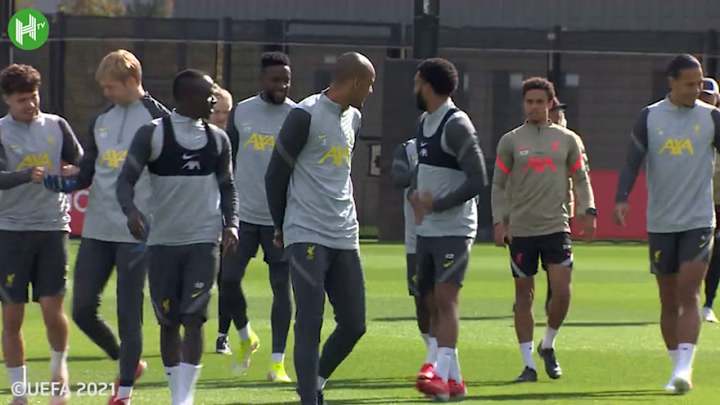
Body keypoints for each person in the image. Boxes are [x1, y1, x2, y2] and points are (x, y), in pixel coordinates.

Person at [44, 49, 168, 404]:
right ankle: (128, 361)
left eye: (111, 86)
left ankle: (123, 391)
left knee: (130, 314)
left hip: (137, 233)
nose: (106, 93)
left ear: (132, 81)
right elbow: (87, 174)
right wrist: (58, 183)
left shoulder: (160, 120)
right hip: (97, 230)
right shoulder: (101, 120)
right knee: (82, 310)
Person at [117, 69, 239, 404]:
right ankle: (176, 392)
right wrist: (131, 211)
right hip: (162, 244)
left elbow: (228, 187)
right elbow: (125, 180)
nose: (213, 100)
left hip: (203, 242)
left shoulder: (218, 140)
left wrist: (231, 224)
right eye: (207, 94)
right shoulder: (152, 134)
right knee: (169, 322)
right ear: (186, 97)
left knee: (194, 319)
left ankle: (184, 399)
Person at [265, 52, 375, 405]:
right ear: (355, 82)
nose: (371, 91)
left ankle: (313, 383)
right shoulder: (305, 115)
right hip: (306, 231)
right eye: (369, 84)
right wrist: (281, 224)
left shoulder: (354, 118)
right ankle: (310, 400)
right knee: (310, 321)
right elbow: (275, 175)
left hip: (344, 232)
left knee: (354, 323)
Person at [614, 54, 720, 394]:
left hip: (699, 220)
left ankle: (686, 368)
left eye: (700, 83)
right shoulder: (649, 117)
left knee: (690, 291)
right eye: (689, 84)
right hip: (661, 222)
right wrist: (621, 198)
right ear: (671, 82)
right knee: (668, 298)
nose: (696, 89)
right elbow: (632, 162)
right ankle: (676, 367)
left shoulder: (712, 118)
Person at [492, 77, 596, 384]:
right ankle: (528, 365)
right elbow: (498, 184)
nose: (534, 107)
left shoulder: (567, 140)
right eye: (529, 102)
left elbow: (581, 178)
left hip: (556, 226)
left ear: (550, 104)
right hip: (521, 229)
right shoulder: (510, 141)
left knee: (562, 292)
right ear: (523, 104)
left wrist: (588, 210)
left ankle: (548, 343)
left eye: (540, 102)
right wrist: (499, 221)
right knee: (524, 295)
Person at [0, 64, 83, 405]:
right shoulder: (1, 132)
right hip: (11, 232)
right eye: (22, 100)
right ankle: (19, 393)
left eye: (34, 97)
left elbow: (82, 162)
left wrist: (74, 170)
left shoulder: (57, 125)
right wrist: (26, 175)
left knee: (52, 308)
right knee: (12, 316)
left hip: (52, 227)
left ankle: (58, 371)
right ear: (7, 100)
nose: (30, 104)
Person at [410, 58, 488, 402]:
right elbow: (426, 170)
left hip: (454, 229)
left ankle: (438, 374)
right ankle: (454, 381)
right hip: (427, 229)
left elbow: (478, 178)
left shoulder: (456, 125)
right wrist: (416, 196)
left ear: (427, 85)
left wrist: (438, 204)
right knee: (427, 301)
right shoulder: (424, 122)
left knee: (445, 298)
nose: (414, 89)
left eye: (417, 83)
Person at [221, 52, 296, 382]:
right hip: (243, 217)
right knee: (227, 280)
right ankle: (245, 336)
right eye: (275, 79)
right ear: (261, 80)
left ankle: (277, 363)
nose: (281, 85)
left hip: (280, 219)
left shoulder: (297, 116)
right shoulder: (242, 111)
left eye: (286, 80)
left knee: (281, 287)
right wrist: (226, 211)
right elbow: (227, 161)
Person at [391, 137, 437, 382]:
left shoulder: (453, 144)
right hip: (415, 240)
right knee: (421, 301)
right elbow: (398, 177)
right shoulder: (407, 148)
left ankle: (436, 360)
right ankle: (432, 351)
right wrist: (424, 170)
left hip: (447, 237)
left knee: (443, 299)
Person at [208, 84, 237, 355]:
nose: (221, 117)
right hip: (199, 219)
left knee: (227, 279)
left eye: (226, 112)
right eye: (217, 111)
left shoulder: (234, 141)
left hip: (227, 220)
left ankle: (222, 335)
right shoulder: (199, 140)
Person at [699, 77, 720, 323]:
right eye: (702, 96)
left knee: (717, 253)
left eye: (709, 96)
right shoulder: (687, 126)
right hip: (695, 200)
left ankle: (708, 303)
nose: (706, 100)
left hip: (718, 201)